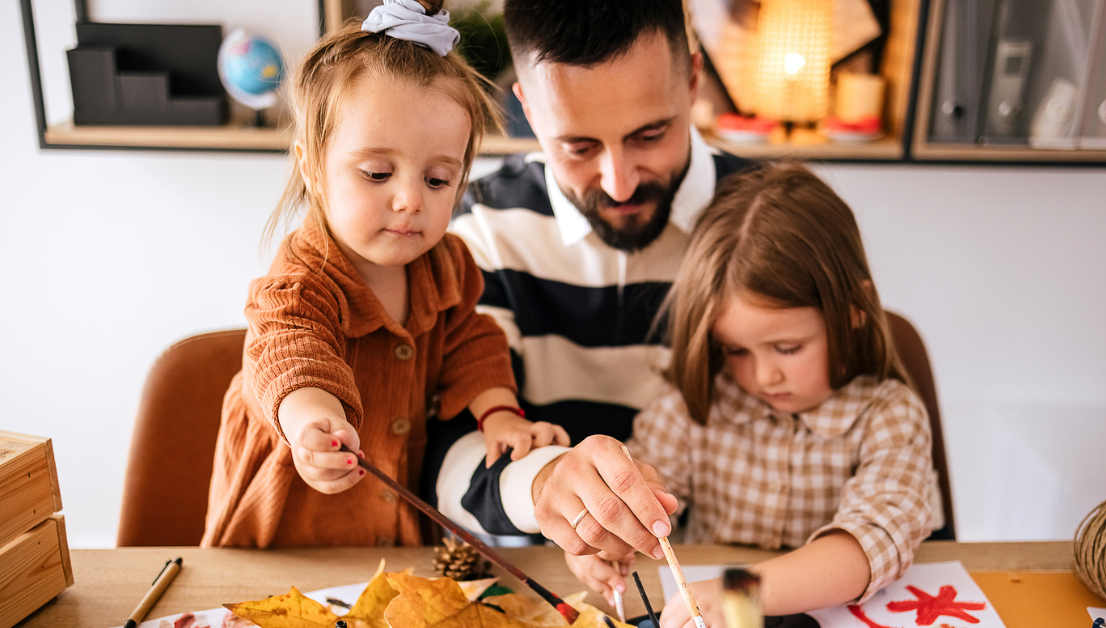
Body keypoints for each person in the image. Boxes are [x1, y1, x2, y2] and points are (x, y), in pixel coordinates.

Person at [201, 0, 567, 548]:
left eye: (439, 180)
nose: (409, 200)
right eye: (377, 173)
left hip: (390, 527)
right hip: (282, 535)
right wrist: (312, 424)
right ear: (313, 168)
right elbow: (287, 352)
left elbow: (472, 342)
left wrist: (500, 416)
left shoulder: (447, 266)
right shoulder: (300, 283)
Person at [427, 0, 749, 549]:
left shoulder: (774, 216)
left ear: (693, 81)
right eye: (578, 147)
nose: (620, 184)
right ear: (526, 106)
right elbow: (449, 453)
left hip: (738, 570)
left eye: (650, 136)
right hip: (548, 577)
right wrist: (544, 484)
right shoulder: (482, 229)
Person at [563, 161, 939, 628]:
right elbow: (641, 503)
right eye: (735, 350)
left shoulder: (889, 415)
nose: (762, 376)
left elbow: (874, 541)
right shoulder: (693, 405)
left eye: (788, 347)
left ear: (854, 312)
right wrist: (606, 539)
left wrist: (741, 595)